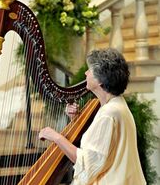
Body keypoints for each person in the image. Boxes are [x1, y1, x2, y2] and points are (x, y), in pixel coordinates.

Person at [39, 48, 146, 184]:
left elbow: (89, 162)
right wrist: (76, 119)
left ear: (100, 80)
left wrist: (55, 137)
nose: (86, 73)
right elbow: (102, 144)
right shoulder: (116, 104)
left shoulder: (108, 113)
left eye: (89, 70)